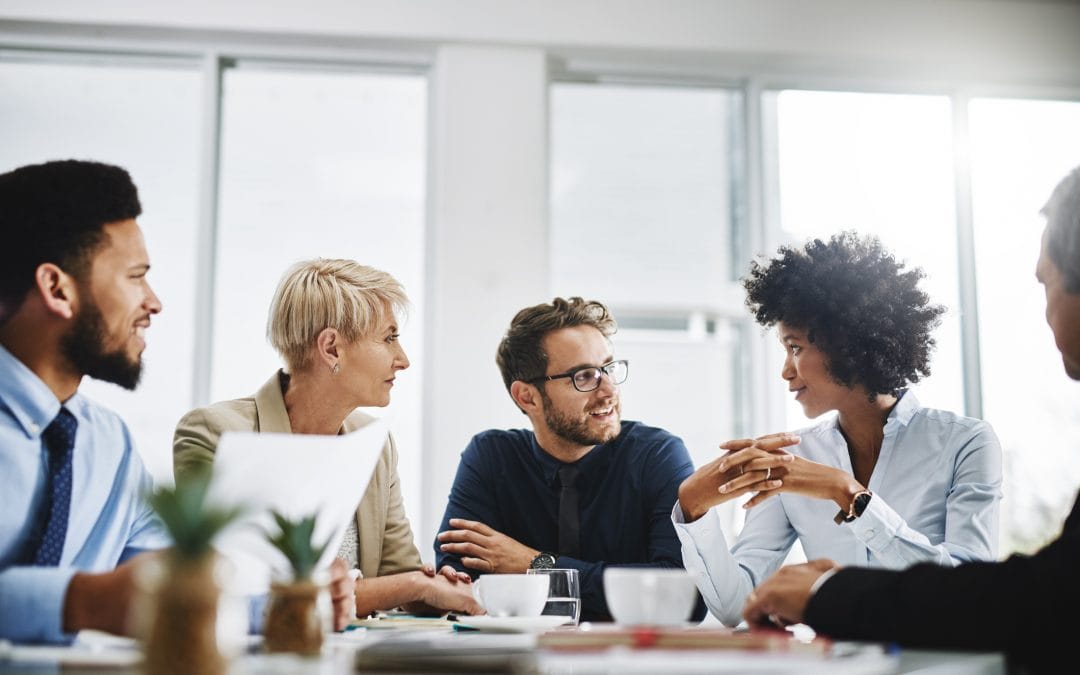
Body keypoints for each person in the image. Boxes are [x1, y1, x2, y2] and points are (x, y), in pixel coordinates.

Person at [742, 165, 1080, 674]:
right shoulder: (794, 455)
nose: (1046, 312)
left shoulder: (963, 441)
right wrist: (694, 506)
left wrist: (847, 506)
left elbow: (1034, 601)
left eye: (1046, 283)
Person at [0, 160, 353, 644]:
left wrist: (286, 604)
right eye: (135, 276)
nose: (154, 302)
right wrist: (82, 600)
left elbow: (169, 584)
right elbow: (105, 596)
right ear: (57, 289)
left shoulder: (108, 444)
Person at [674, 232, 1003, 626]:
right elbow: (736, 606)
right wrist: (694, 508)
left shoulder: (965, 442)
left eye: (794, 347)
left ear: (846, 343)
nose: (785, 370)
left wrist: (848, 494)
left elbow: (968, 593)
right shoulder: (793, 463)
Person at [174, 258, 482, 617]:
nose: (403, 359)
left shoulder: (375, 444)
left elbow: (400, 575)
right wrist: (414, 586)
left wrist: (434, 589)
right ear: (332, 347)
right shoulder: (215, 433)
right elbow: (238, 590)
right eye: (389, 338)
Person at [435, 296, 705, 622]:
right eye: (584, 376)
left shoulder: (658, 455)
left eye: (608, 368)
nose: (608, 391)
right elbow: (458, 586)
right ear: (528, 397)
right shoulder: (491, 457)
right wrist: (616, 588)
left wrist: (534, 565)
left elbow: (682, 596)